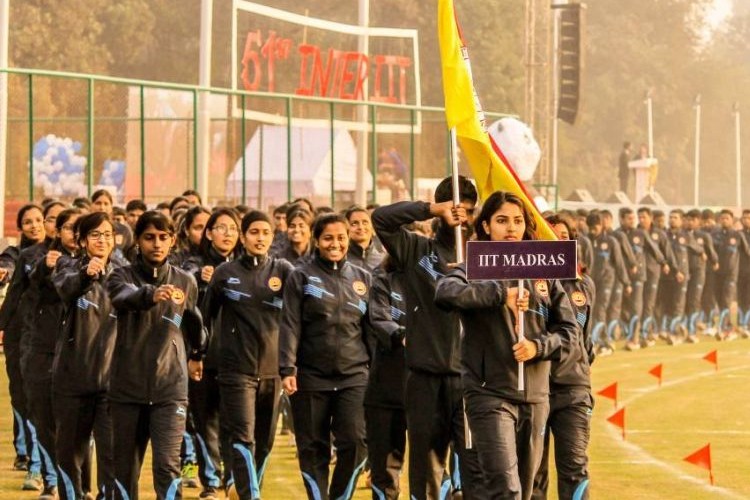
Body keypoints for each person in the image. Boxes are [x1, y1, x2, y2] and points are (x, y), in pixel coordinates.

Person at [434, 191, 577, 500]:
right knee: (505, 488)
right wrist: (500, 294)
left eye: (517, 221)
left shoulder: (544, 272)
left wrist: (538, 347)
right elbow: (445, 292)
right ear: (486, 226)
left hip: (536, 396)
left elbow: (570, 332)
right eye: (501, 221)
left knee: (525, 491)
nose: (511, 228)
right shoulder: (473, 266)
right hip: (489, 394)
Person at [372, 176, 485, 499]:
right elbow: (381, 219)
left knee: (476, 468)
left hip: (473, 380)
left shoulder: (484, 256)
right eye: (454, 205)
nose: (461, 212)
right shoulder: (415, 250)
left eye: (467, 206)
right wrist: (430, 209)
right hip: (424, 379)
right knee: (425, 473)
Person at [106, 211, 206, 499]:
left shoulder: (186, 281)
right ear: (138, 241)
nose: (157, 244)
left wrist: (199, 348)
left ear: (173, 241)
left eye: (163, 238)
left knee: (167, 467)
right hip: (126, 389)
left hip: (170, 389)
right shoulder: (120, 276)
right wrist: (150, 295)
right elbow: (122, 297)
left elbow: (192, 324)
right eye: (149, 237)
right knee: (124, 470)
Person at [202, 210, 294, 499]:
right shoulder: (225, 274)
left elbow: (299, 316)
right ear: (243, 237)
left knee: (265, 441)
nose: (260, 238)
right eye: (254, 232)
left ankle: (245, 486)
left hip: (272, 369)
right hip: (235, 370)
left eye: (265, 232)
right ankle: (249, 494)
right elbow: (204, 317)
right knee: (243, 435)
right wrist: (197, 354)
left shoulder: (284, 271)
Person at [279, 213, 371, 500]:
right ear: (316, 241)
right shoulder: (300, 276)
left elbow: (371, 331)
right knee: (312, 447)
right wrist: (287, 368)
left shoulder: (363, 278)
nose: (335, 244)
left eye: (341, 237)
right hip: (310, 378)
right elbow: (290, 323)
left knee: (356, 443)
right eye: (328, 238)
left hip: (354, 376)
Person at [52, 212, 124, 499]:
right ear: (82, 240)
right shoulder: (68, 268)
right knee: (70, 455)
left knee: (112, 456)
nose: (102, 240)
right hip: (71, 380)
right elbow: (65, 289)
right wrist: (86, 274)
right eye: (95, 234)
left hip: (112, 383)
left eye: (107, 234)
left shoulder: (123, 273)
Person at [531, 214, 595, 500]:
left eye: (563, 235)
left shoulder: (584, 285)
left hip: (573, 390)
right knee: (533, 472)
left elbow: (586, 338)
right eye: (549, 234)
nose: (557, 240)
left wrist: (580, 368)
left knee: (574, 467)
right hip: (535, 389)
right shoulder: (524, 282)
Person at [182, 208, 243, 498]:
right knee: (205, 422)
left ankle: (233, 478)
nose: (228, 233)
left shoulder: (247, 268)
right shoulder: (194, 266)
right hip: (203, 356)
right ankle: (210, 481)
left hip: (238, 358)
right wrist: (201, 280)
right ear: (209, 233)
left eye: (233, 228)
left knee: (235, 423)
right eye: (221, 228)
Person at [24, 207, 83, 499]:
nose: (75, 233)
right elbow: (31, 288)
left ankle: (82, 487)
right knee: (45, 421)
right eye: (69, 227)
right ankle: (49, 479)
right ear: (58, 231)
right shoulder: (42, 259)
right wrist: (46, 268)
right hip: (44, 351)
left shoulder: (99, 264)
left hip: (80, 356)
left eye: (79, 227)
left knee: (80, 429)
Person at [0, 204, 47, 488]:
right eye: (28, 222)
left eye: (39, 220)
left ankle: (41, 466)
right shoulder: (17, 256)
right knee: (22, 399)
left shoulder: (59, 257)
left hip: (47, 339)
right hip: (20, 338)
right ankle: (31, 458)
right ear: (20, 227)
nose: (34, 225)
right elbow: (9, 279)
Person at [365, 255, 407, 500]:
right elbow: (379, 319)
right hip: (386, 386)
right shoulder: (382, 281)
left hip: (428, 384)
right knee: (384, 468)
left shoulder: (439, 280)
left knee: (433, 466)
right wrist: (402, 335)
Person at [712, 209, 750, 340]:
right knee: (720, 300)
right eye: (722, 218)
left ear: (732, 220)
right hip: (718, 273)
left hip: (732, 274)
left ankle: (727, 329)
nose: (724, 220)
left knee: (728, 300)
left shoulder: (737, 236)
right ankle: (729, 327)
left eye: (727, 218)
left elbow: (747, 251)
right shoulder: (715, 235)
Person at [90, 189, 133, 262]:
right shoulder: (83, 226)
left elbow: (130, 256)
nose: (102, 207)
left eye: (106, 204)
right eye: (98, 203)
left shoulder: (123, 230)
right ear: (91, 205)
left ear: (111, 207)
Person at [344, 206, 384, 272]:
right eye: (354, 223)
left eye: (365, 222)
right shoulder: (341, 259)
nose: (361, 227)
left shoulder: (382, 260)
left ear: (372, 226)